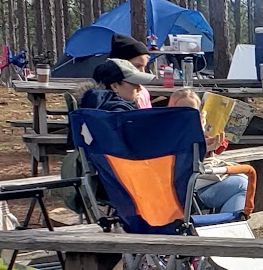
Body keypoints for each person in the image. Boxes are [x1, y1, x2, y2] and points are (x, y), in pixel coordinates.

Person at [168, 87, 250, 221]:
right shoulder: (173, 134)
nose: (189, 116)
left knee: (242, 181)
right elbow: (181, 161)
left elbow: (216, 148)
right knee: (243, 185)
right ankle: (226, 230)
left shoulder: (182, 131)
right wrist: (202, 145)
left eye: (193, 112)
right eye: (184, 111)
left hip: (195, 182)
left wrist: (206, 139)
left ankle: (224, 227)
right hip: (186, 189)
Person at [80, 59, 152, 110]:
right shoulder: (120, 112)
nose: (140, 88)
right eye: (134, 83)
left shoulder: (90, 107)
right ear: (115, 86)